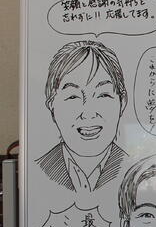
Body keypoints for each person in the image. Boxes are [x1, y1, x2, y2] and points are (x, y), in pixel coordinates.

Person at [37, 40, 128, 192]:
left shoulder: (137, 172)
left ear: (122, 102)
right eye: (73, 97)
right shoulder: (37, 171)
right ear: (51, 105)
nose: (88, 114)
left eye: (103, 95)